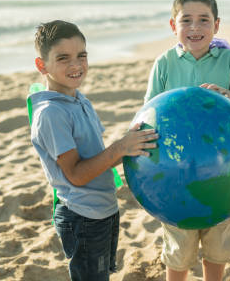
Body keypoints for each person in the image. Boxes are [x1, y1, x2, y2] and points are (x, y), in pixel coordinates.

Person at [29, 20, 158, 280]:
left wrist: (130, 146)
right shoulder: (52, 114)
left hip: (103, 209)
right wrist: (121, 146)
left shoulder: (78, 99)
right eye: (63, 58)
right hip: (82, 216)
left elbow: (97, 156)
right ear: (42, 65)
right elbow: (76, 174)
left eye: (82, 56)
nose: (76, 65)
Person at [145, 0, 230, 281]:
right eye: (186, 20)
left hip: (224, 171)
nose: (195, 28)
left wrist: (227, 95)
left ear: (217, 25)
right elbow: (149, 116)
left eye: (204, 20)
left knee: (217, 249)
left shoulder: (228, 61)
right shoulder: (164, 64)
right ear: (173, 26)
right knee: (178, 252)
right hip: (176, 173)